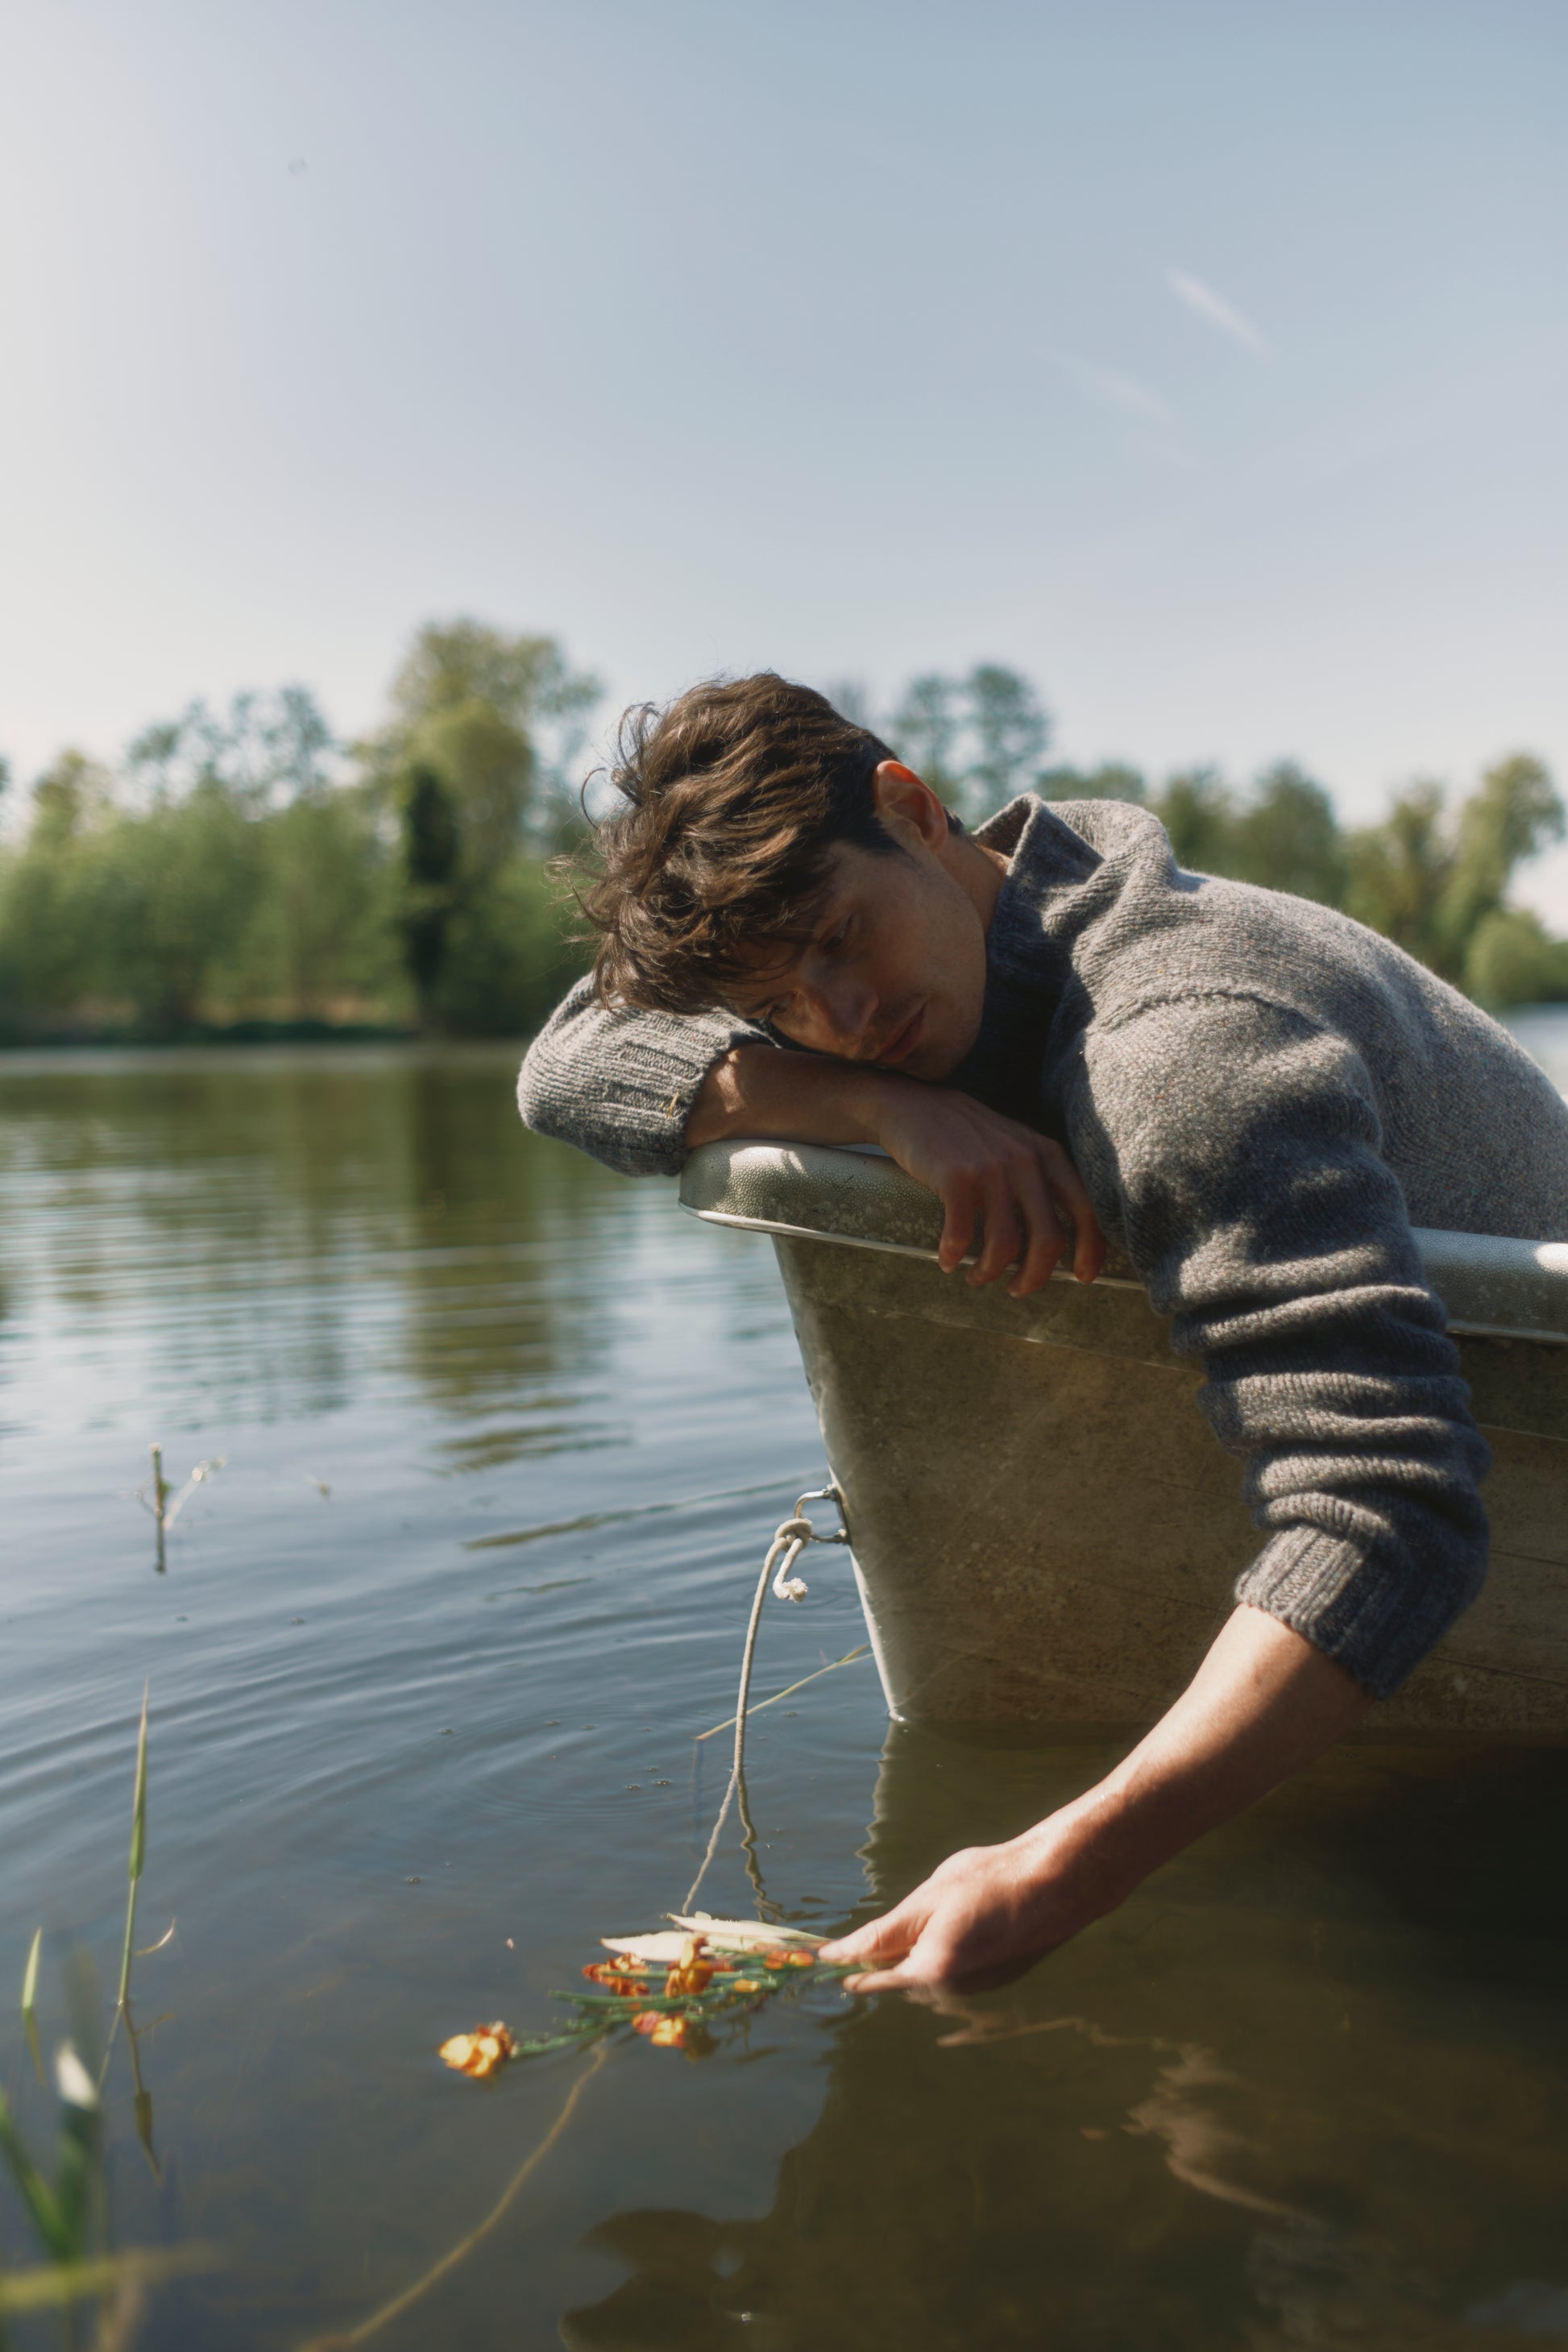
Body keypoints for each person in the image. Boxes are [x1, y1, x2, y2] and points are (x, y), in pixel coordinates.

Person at [519, 674, 1568, 1994]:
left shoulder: (1178, 1054)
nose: (837, 1015)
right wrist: (877, 1110)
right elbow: (565, 1062)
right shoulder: (943, 937)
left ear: (912, 804)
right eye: (780, 1004)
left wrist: (1069, 1861)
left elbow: (1393, 1516)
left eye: (841, 938)